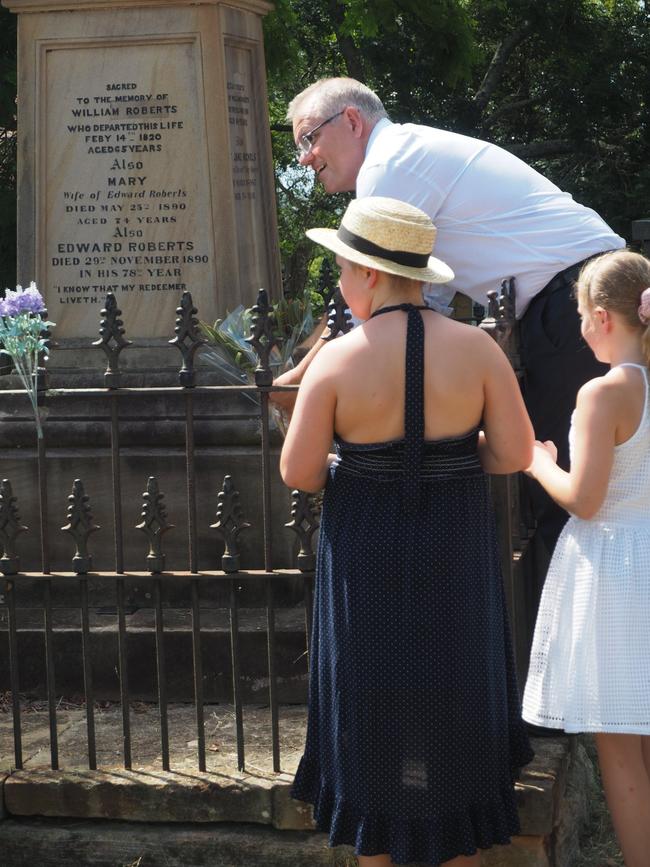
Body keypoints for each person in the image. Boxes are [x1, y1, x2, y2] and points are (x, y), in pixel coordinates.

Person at [281, 196, 535, 866]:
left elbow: (300, 472)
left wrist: (359, 457)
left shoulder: (336, 361)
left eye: (340, 268)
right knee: (453, 697)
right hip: (453, 543)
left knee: (371, 707)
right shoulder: (478, 348)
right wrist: (447, 456)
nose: (339, 281)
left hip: (365, 549)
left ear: (366, 273)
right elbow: (512, 454)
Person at [276, 76, 625, 559]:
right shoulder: (408, 156)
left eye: (309, 138)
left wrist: (303, 381)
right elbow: (417, 303)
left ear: (352, 120)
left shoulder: (387, 166)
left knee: (571, 504)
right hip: (576, 297)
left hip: (573, 306)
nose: (304, 158)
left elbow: (375, 303)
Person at [522, 250, 650, 866]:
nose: (577, 331)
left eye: (579, 317)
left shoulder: (602, 394)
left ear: (602, 318)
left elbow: (586, 501)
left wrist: (539, 463)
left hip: (619, 574)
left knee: (621, 746)